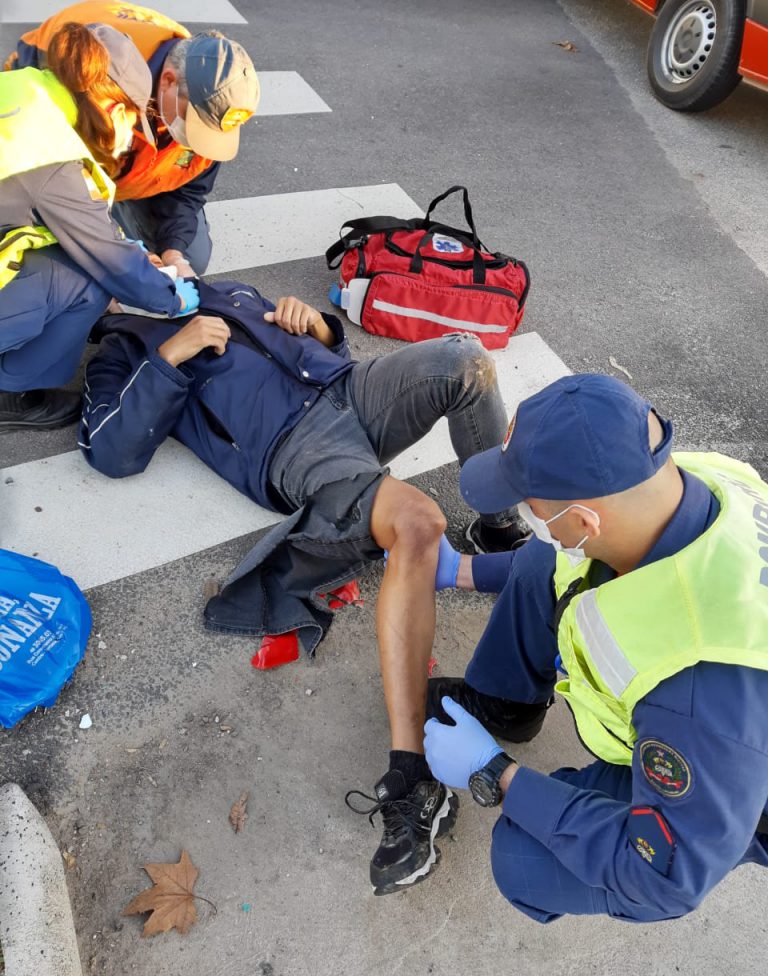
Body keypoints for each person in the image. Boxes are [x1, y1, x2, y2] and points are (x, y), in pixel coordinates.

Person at [77, 281, 529, 893]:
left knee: (464, 362)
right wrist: (170, 355)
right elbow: (109, 449)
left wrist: (316, 326)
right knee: (418, 524)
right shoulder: (120, 350)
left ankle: (502, 534)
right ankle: (410, 777)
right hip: (295, 445)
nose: (150, 265)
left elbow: (314, 345)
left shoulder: (209, 288)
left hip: (345, 390)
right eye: (120, 266)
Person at [422, 373, 768, 922]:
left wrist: (499, 776)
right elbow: (562, 556)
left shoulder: (698, 687)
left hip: (733, 777)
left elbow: (665, 880)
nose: (531, 519)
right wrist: (460, 570)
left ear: (585, 520)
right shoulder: (685, 483)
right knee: (546, 557)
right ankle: (506, 705)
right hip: (721, 716)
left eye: (531, 508)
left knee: (523, 856)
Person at [0, 22, 197, 432]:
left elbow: (47, 214)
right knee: (89, 280)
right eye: (131, 126)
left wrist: (125, 246)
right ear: (115, 108)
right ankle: (12, 393)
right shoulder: (51, 158)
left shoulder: (22, 88)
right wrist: (175, 297)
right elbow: (112, 264)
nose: (127, 142)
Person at [8, 1, 260, 277]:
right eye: (194, 123)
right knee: (87, 277)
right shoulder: (100, 76)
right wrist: (117, 249)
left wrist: (173, 251)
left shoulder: (214, 102)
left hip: (136, 175)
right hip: (75, 170)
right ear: (167, 81)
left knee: (192, 258)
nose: (195, 141)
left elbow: (189, 192)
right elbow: (57, 182)